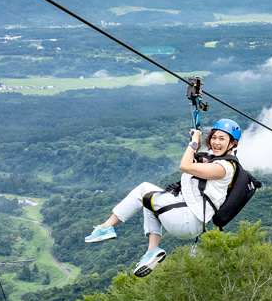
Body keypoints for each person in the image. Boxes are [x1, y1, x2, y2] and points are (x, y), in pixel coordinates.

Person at [84, 119, 242, 277]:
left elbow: (185, 166)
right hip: (189, 221)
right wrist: (197, 146)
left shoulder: (223, 168)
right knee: (150, 201)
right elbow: (195, 163)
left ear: (233, 143)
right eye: (214, 137)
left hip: (186, 220)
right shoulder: (219, 162)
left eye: (222, 139)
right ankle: (152, 251)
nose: (216, 142)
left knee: (143, 189)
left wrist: (193, 143)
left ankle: (106, 228)